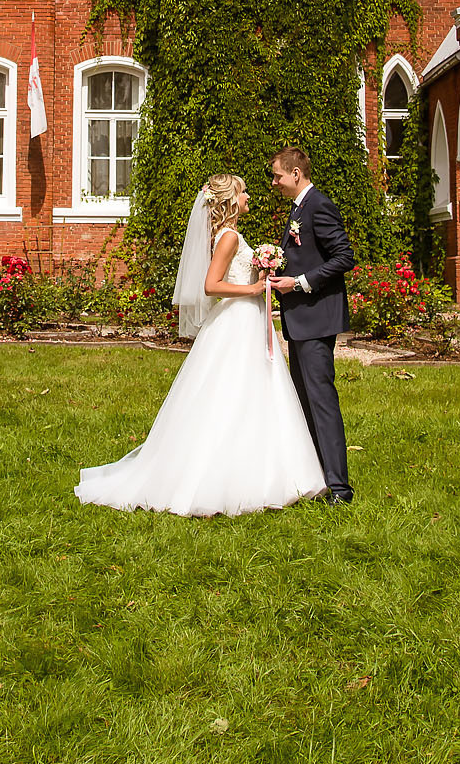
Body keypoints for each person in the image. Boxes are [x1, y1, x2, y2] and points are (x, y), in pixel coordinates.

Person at [73, 173, 325, 516]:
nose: (248, 197)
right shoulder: (229, 237)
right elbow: (211, 285)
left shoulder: (228, 234)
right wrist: (253, 288)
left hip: (247, 318)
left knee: (252, 391)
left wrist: (261, 275)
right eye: (244, 192)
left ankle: (263, 472)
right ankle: (235, 478)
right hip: (237, 320)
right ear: (231, 199)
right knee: (235, 392)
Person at [265, 146, 356, 503]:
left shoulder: (319, 206)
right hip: (301, 320)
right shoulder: (298, 208)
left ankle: (340, 488)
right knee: (306, 400)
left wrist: (299, 282)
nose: (274, 182)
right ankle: (318, 477)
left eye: (277, 175)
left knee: (321, 402)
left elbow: (344, 256)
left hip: (316, 318)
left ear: (296, 174)